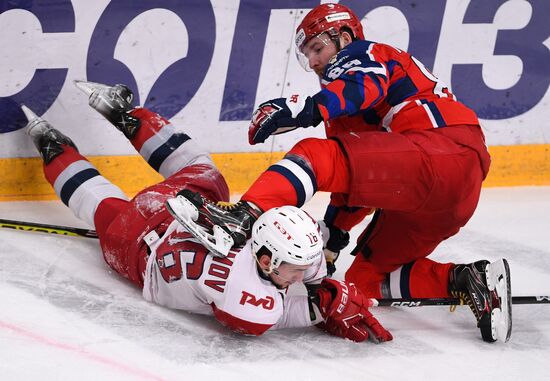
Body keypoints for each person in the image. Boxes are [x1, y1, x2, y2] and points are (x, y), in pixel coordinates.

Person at [175, 3, 511, 343]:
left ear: (345, 36)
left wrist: (306, 109)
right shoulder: (345, 113)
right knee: (363, 281)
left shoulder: (366, 53)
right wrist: (334, 236)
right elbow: (363, 179)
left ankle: (244, 216)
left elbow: (366, 86)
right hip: (449, 193)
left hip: (441, 150)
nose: (314, 62)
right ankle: (468, 279)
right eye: (308, 56)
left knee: (314, 154)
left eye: (318, 48)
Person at [21, 80, 392, 343]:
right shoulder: (253, 304)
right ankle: (53, 147)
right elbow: (284, 309)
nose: (301, 273)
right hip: (135, 248)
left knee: (204, 170)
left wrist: (326, 290)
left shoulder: (275, 249)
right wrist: (326, 302)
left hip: (174, 213)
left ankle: (125, 113)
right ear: (265, 260)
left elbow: (304, 269)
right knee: (102, 205)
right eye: (295, 268)